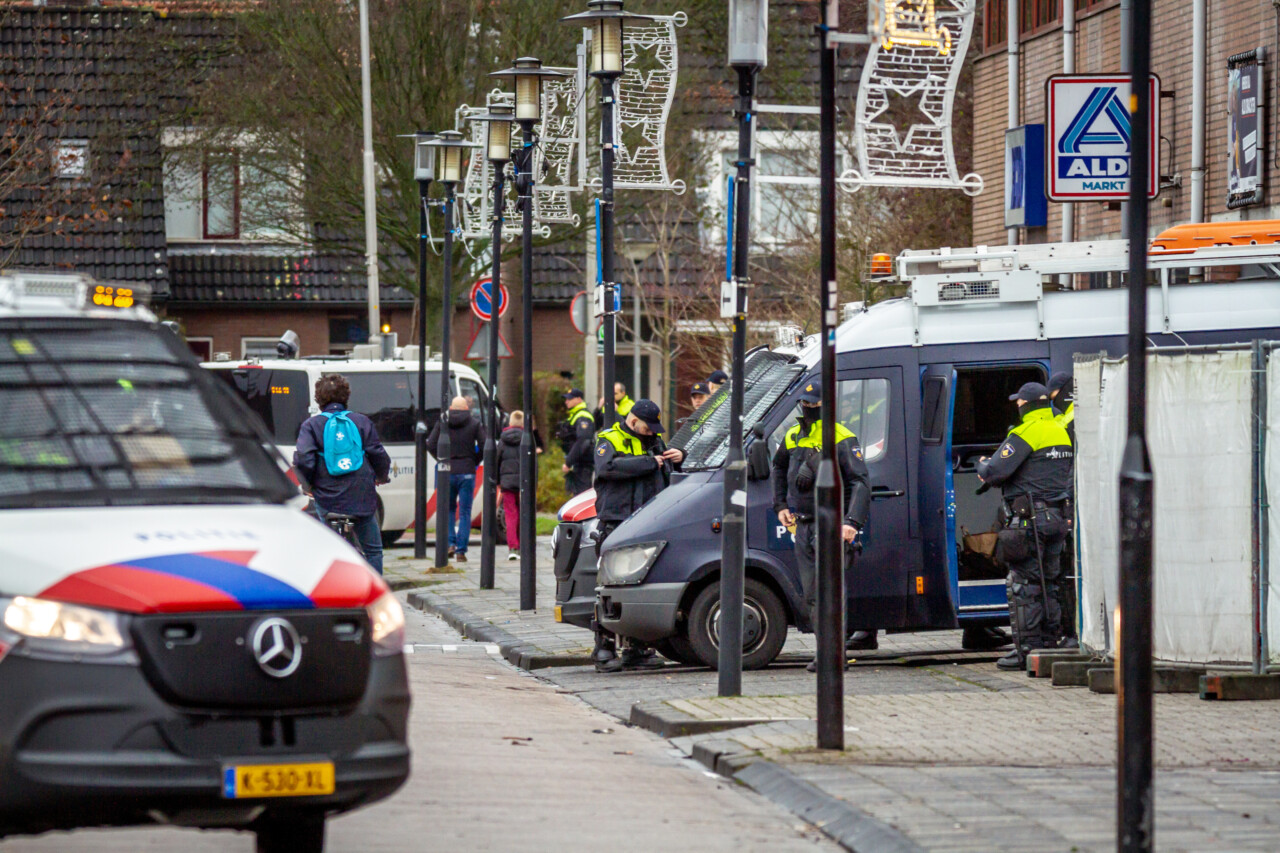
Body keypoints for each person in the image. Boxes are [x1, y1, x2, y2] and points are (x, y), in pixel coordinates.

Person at [771, 382, 871, 672]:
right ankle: (825, 652)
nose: (809, 408)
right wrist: (780, 505)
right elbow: (778, 467)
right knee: (812, 595)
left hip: (831, 525)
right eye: (806, 403)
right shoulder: (792, 435)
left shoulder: (841, 436)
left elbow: (860, 481)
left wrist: (851, 523)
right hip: (803, 525)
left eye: (814, 404)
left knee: (831, 593)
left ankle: (834, 655)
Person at [977, 381, 1074, 670]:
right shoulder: (1060, 430)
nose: (1017, 407)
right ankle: (1049, 643)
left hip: (1030, 521)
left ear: (1026, 405)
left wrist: (982, 464)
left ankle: (1028, 650)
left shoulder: (1025, 433)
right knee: (1050, 583)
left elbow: (994, 471)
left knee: (1024, 585)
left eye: (1019, 403)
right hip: (1057, 518)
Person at [591, 399, 684, 672]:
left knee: (641, 586)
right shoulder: (608, 439)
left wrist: (680, 456)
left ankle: (638, 649)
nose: (652, 432)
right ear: (633, 421)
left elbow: (666, 470)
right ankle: (604, 648)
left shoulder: (654, 441)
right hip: (617, 522)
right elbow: (607, 469)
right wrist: (649, 462)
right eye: (647, 427)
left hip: (646, 522)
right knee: (609, 587)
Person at [294, 374, 392, 573]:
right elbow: (378, 454)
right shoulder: (362, 421)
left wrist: (308, 485)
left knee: (328, 548)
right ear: (346, 396)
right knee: (373, 551)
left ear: (318, 399)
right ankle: (374, 591)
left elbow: (304, 459)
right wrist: (381, 476)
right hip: (360, 495)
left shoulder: (311, 425)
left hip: (327, 496)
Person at [426, 396, 485, 563]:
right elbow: (484, 445)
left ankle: (450, 544)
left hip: (447, 472)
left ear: (451, 408)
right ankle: (461, 551)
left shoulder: (443, 422)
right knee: (465, 512)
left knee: (448, 509)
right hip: (467, 471)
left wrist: (442, 459)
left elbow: (430, 444)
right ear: (466, 408)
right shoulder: (474, 423)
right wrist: (473, 460)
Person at [1049, 370, 1078, 645]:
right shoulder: (1065, 418)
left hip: (1071, 504)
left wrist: (1067, 502)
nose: (1052, 400)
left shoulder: (1073, 419)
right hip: (1069, 503)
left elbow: (1072, 469)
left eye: (1054, 395)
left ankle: (1073, 632)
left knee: (1069, 572)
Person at [497, 411, 525, 561]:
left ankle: (512, 547)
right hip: (523, 483)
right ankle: (522, 546)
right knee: (523, 513)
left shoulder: (503, 440)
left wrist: (498, 481)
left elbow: (496, 461)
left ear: (510, 423)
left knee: (510, 514)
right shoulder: (527, 438)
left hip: (507, 482)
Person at [558, 389, 596, 497]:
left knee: (582, 496)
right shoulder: (576, 415)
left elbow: (583, 441)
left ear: (579, 399)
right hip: (578, 462)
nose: (566, 401)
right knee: (578, 495)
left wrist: (569, 462)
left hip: (583, 463)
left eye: (569, 399)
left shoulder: (583, 416)